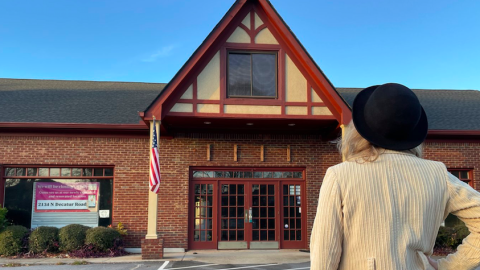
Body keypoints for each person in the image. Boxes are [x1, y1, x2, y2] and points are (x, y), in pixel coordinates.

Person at [310, 83, 480, 270]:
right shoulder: (438, 175)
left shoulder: (339, 176)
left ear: (360, 128)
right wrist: (450, 267)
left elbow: (324, 255)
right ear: (412, 129)